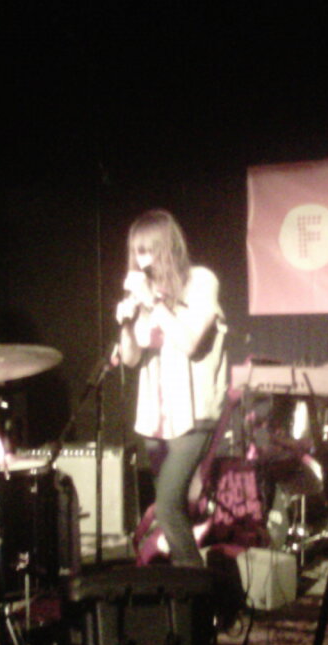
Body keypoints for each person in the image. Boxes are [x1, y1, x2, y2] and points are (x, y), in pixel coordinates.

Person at [116, 209, 228, 568]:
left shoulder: (200, 281)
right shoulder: (145, 296)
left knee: (166, 506)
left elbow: (190, 342)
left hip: (193, 416)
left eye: (149, 250)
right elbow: (131, 358)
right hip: (155, 419)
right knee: (172, 508)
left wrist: (153, 302)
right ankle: (185, 585)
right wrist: (126, 322)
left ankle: (197, 590)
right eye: (138, 252)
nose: (143, 260)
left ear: (167, 247)